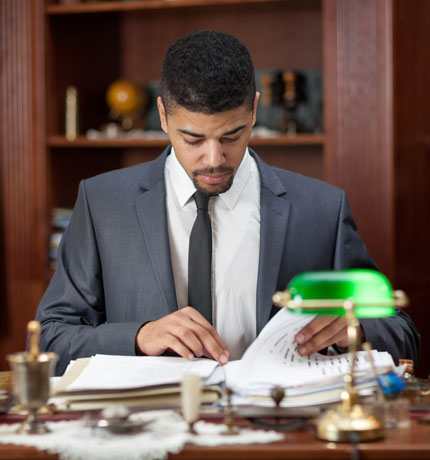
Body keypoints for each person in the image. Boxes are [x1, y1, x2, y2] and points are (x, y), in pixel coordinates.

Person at [36, 30, 419, 375]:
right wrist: (139, 336)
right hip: (149, 437)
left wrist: (356, 328)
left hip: (277, 434)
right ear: (162, 117)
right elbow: (49, 340)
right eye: (193, 140)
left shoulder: (322, 209)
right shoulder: (102, 203)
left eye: (232, 136)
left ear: (254, 110)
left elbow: (401, 333)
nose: (215, 158)